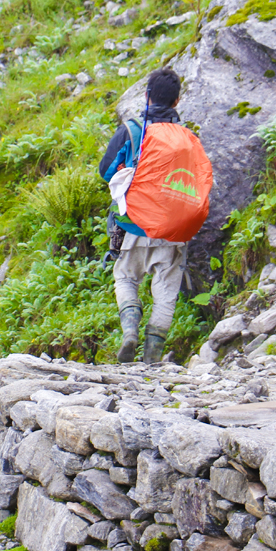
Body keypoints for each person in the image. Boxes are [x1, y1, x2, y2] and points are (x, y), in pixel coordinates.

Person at [99, 68, 187, 364]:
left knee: (124, 276)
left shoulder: (131, 130)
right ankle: (152, 356)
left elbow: (105, 171)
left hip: (130, 223)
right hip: (171, 228)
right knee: (166, 289)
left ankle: (129, 333)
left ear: (146, 96)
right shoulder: (186, 138)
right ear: (176, 101)